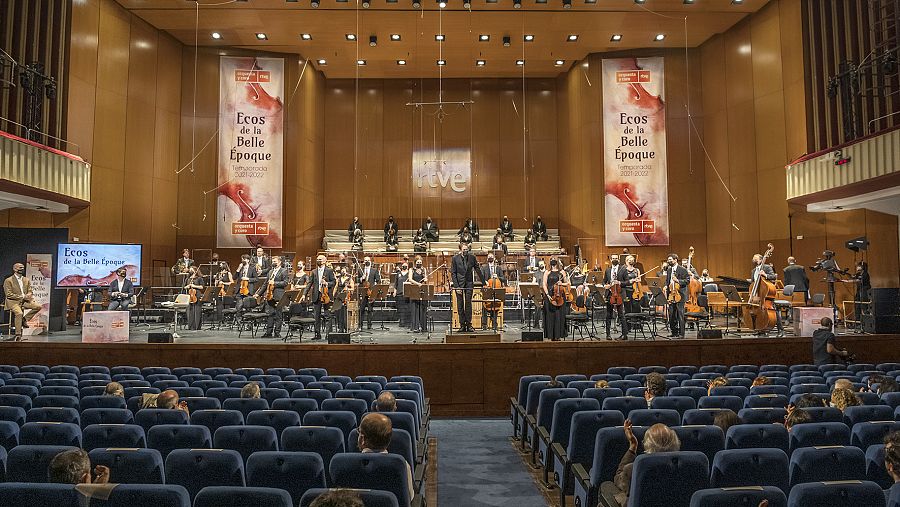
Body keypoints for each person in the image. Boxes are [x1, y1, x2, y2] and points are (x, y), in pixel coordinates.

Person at [600, 422, 681, 507]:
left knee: (606, 485)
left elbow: (617, 479)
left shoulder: (634, 469)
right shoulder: (687, 467)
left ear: (647, 445)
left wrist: (633, 446)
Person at [357, 413, 415, 500]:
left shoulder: (341, 465)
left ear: (362, 439)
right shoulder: (401, 466)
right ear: (389, 439)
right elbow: (408, 499)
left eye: (359, 431)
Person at [451, 242, 484, 333]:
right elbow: (453, 273)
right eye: (464, 249)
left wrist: (484, 282)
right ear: (460, 250)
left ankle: (469, 324)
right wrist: (457, 287)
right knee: (460, 305)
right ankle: (462, 325)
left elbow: (477, 269)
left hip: (469, 283)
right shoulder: (455, 258)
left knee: (468, 304)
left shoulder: (472, 257)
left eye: (467, 249)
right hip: (459, 284)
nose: (465, 251)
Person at [3, 262, 41, 342]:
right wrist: (22, 296)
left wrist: (29, 295)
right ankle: (18, 334)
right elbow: (8, 294)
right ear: (14, 269)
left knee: (38, 306)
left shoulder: (26, 280)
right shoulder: (8, 280)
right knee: (19, 313)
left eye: (22, 267)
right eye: (20, 267)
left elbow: (30, 291)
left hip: (24, 301)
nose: (22, 269)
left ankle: (24, 320)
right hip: (13, 301)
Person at [748, 253, 783, 334]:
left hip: (766, 293)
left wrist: (765, 275)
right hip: (757, 293)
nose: (754, 260)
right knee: (757, 311)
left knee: (773, 310)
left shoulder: (767, 267)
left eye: (755, 258)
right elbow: (753, 282)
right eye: (753, 258)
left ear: (761, 259)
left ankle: (780, 329)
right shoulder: (753, 271)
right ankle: (760, 328)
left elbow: (774, 276)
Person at [256, 256, 288, 338]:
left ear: (280, 262)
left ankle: (277, 332)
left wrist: (274, 283)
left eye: (275, 261)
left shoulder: (284, 271)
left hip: (278, 296)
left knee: (278, 315)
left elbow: (285, 283)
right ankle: (268, 332)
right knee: (270, 314)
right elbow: (265, 284)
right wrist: (258, 294)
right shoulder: (270, 272)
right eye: (272, 261)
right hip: (269, 295)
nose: (273, 262)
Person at [306, 254, 335, 341]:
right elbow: (309, 284)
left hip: (326, 295)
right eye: (317, 259)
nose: (318, 260)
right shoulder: (314, 271)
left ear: (325, 261)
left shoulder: (329, 271)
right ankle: (317, 334)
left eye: (320, 259)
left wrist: (327, 283)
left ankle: (328, 335)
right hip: (316, 295)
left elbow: (333, 282)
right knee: (316, 316)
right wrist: (304, 293)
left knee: (327, 316)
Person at [541, 258, 569, 341]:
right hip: (550, 296)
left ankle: (558, 335)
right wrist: (547, 294)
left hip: (559, 296)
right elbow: (544, 284)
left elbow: (567, 283)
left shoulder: (562, 272)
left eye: (554, 260)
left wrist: (562, 283)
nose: (553, 261)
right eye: (551, 260)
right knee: (550, 316)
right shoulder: (547, 272)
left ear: (557, 262)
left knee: (558, 316)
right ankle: (551, 335)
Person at [664, 254, 690, 338]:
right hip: (671, 295)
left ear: (675, 260)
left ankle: (681, 333)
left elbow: (687, 281)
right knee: (671, 315)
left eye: (670, 259)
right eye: (668, 260)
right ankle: (674, 332)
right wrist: (665, 285)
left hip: (680, 295)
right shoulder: (669, 270)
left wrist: (678, 280)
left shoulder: (683, 270)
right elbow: (667, 281)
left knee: (680, 314)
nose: (669, 261)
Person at [602, 255, 628, 340]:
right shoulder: (608, 270)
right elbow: (604, 281)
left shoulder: (623, 269)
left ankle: (624, 335)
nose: (614, 259)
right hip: (610, 294)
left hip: (619, 294)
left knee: (621, 315)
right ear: (611, 259)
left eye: (616, 258)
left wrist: (620, 282)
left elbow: (627, 281)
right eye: (613, 258)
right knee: (608, 315)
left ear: (618, 259)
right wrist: (605, 285)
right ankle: (608, 334)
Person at [480, 254, 506, 331]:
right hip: (487, 288)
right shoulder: (484, 267)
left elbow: (503, 278)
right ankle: (484, 324)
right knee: (485, 306)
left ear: (494, 258)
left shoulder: (498, 268)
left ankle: (494, 324)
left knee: (495, 305)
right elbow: (481, 277)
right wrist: (485, 282)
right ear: (487, 258)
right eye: (489, 257)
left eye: (491, 257)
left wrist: (497, 277)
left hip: (496, 288)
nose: (490, 258)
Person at [357, 256, 381, 330]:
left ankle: (369, 325)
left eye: (368, 260)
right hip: (363, 292)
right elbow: (356, 280)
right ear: (364, 262)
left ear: (370, 261)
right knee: (361, 309)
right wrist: (361, 278)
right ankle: (360, 325)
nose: (367, 261)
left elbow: (378, 280)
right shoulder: (360, 270)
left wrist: (375, 290)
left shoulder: (374, 270)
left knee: (370, 309)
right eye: (365, 260)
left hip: (371, 292)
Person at [184, 266, 205, 330]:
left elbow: (202, 287)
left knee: (197, 311)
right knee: (189, 311)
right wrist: (187, 286)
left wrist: (194, 286)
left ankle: (196, 326)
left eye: (191, 269)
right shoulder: (188, 278)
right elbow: (184, 287)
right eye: (190, 269)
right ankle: (190, 326)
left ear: (195, 270)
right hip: (189, 296)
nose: (190, 270)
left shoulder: (199, 278)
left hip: (197, 295)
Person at [395, 263, 410, 329]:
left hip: (407, 293)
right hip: (399, 293)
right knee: (400, 308)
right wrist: (395, 291)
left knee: (406, 308)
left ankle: (407, 322)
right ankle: (401, 321)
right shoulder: (398, 274)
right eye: (403, 265)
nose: (404, 266)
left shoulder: (409, 274)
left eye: (405, 265)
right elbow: (396, 284)